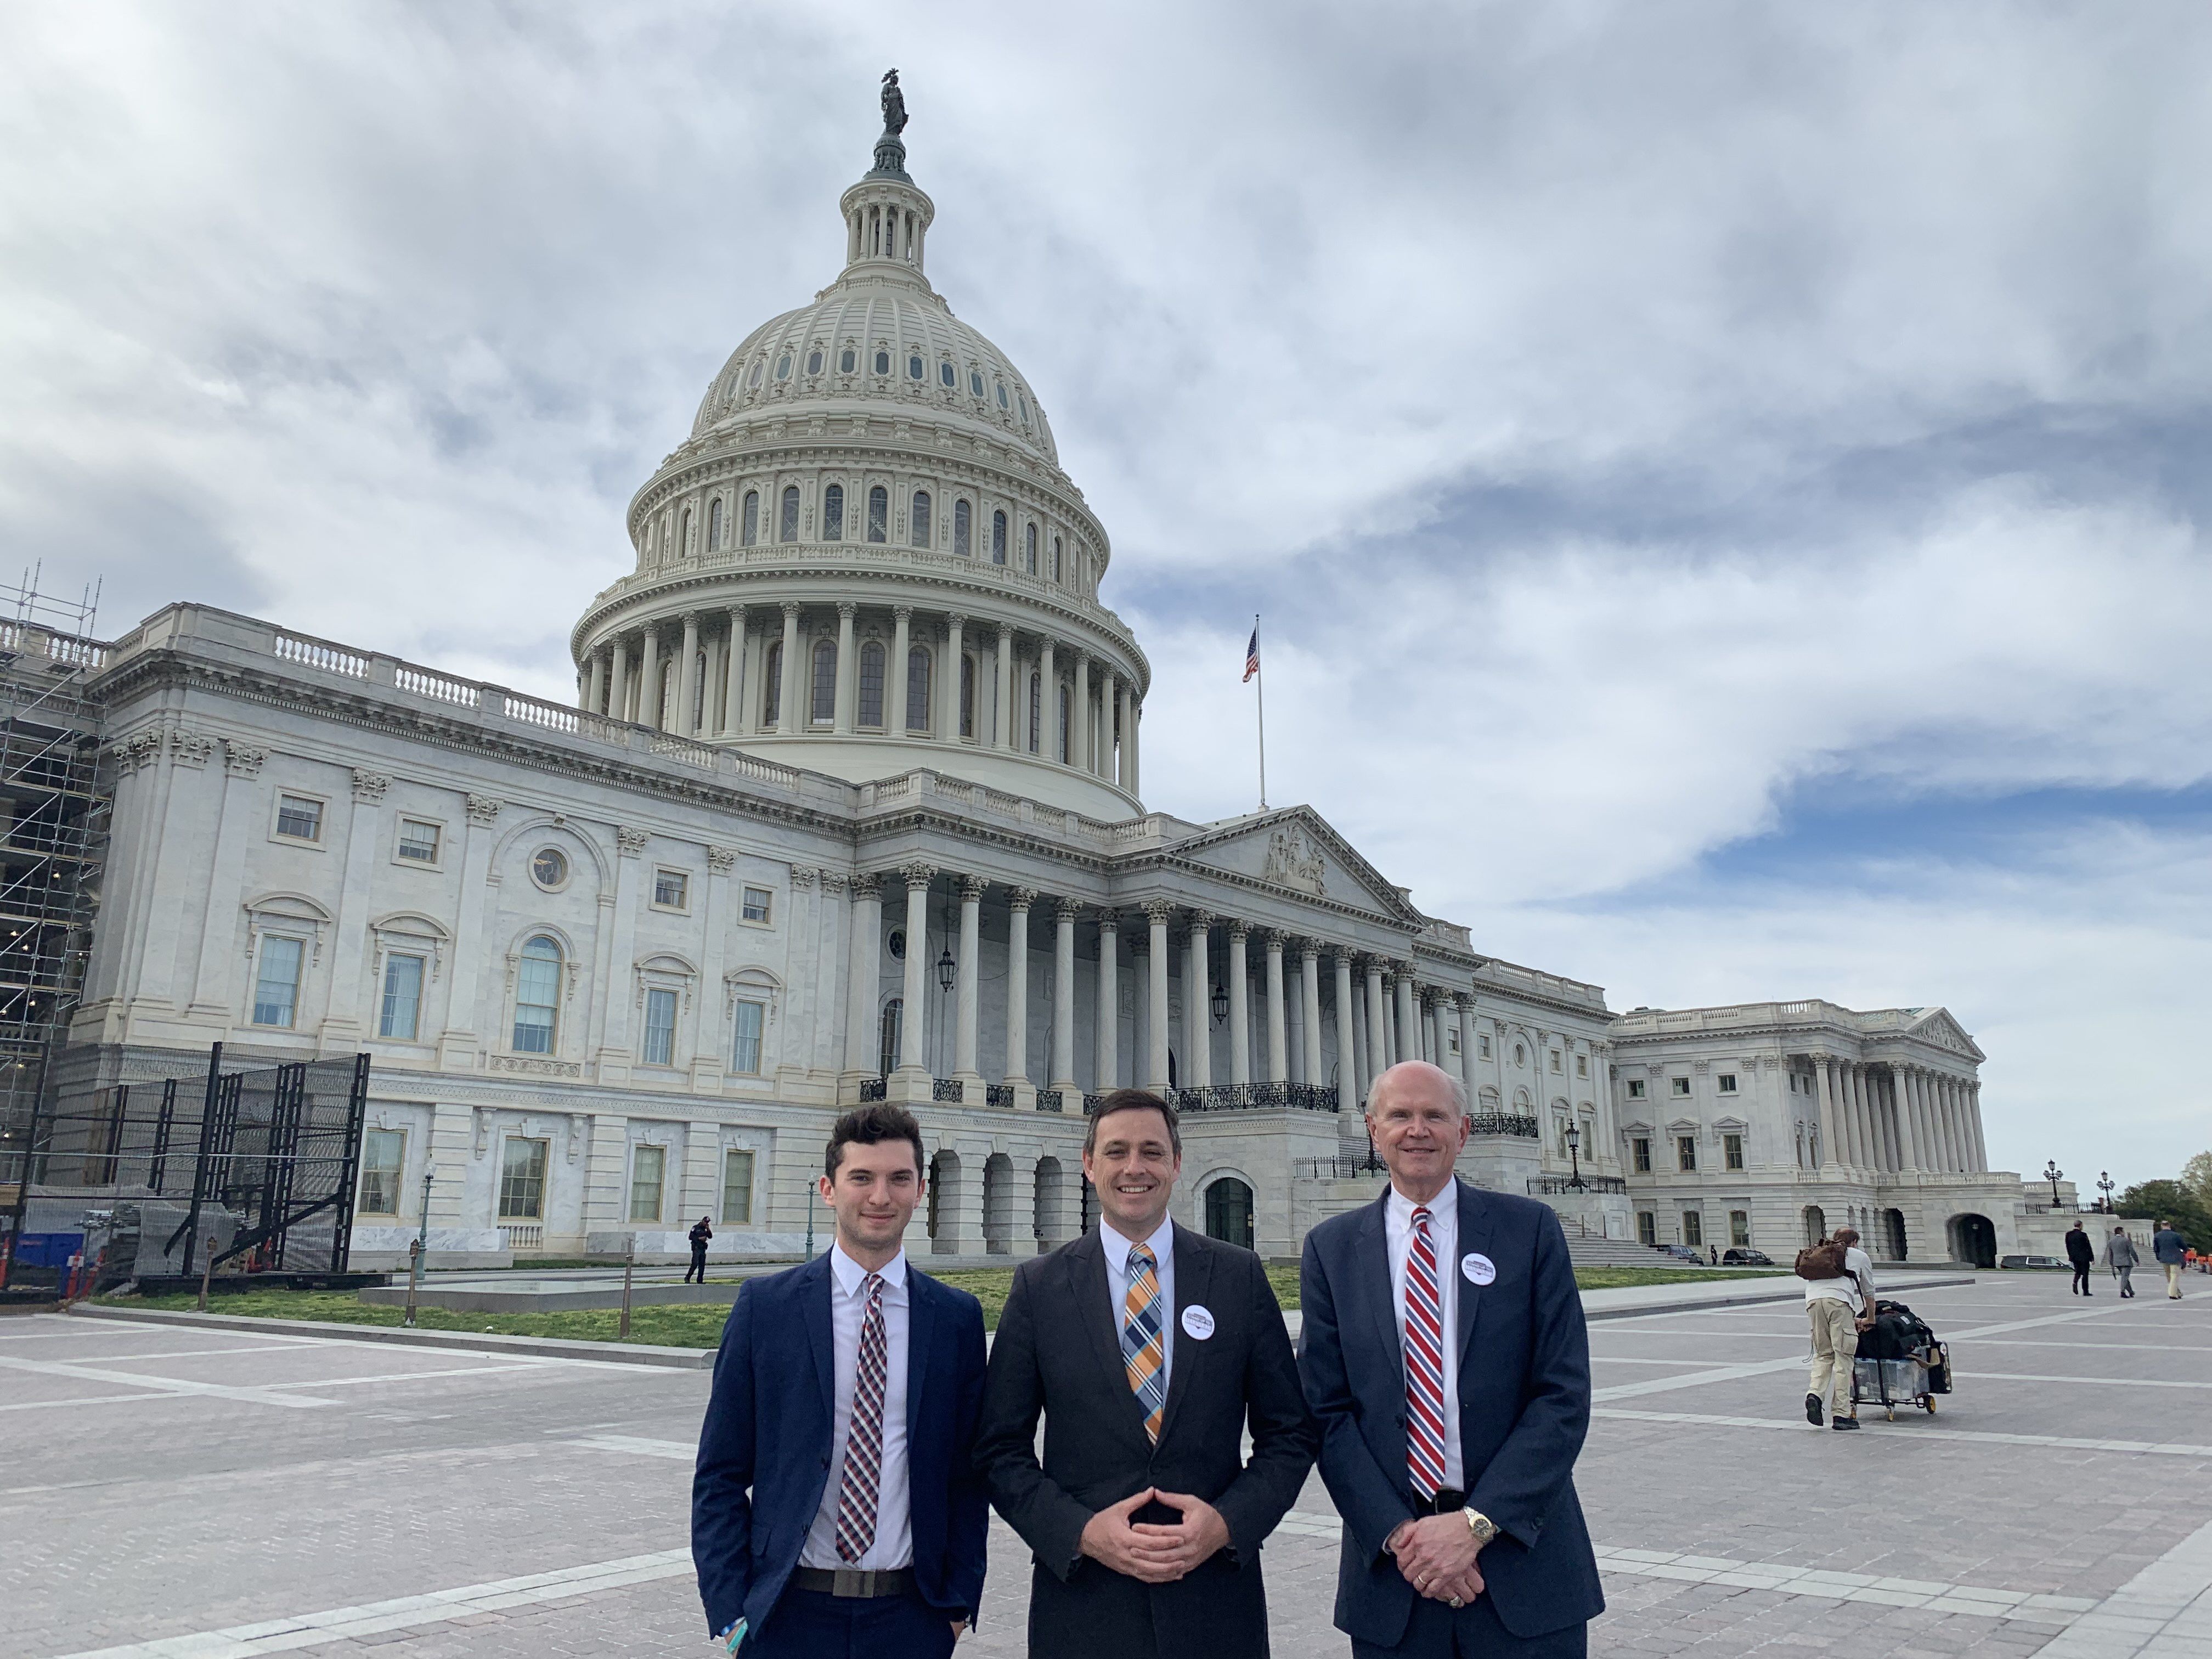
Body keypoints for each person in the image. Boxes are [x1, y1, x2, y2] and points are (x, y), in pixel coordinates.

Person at [975, 1088, 1317, 1659]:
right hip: (1084, 1605)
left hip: (1213, 1604)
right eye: (1116, 1152)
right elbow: (998, 1450)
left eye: (1152, 1152)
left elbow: (1289, 1433)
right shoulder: (1040, 1288)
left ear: (1177, 1164)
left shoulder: (1237, 1277)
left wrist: (1227, 1525)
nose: (1135, 1168)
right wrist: (1079, 1533)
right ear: (1089, 1164)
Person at [1299, 1062, 1604, 1657]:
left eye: (1434, 1116)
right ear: (1372, 1130)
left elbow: (1563, 1394)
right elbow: (1327, 1410)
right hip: (1397, 1575)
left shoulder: (1529, 1230)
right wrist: (1403, 1537)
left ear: (1462, 1132)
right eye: (1401, 1116)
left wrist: (1476, 1525)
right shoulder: (1331, 1249)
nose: (1418, 1131)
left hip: (1522, 1564)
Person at [692, 1105, 988, 1657]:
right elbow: (720, 1472)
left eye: (899, 1179)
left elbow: (967, 1477)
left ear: (920, 1189)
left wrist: (957, 1606)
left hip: (911, 1616)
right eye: (862, 1178)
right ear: (829, 1189)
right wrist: (732, 1610)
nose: (881, 1196)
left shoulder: (955, 1319)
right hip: (788, 1613)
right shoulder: (767, 1309)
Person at [1801, 1226, 1875, 1431]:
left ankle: (1814, 1394)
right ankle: (1841, 1415)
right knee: (1843, 1357)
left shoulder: (1820, 1253)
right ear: (1854, 1243)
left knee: (1824, 1354)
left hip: (1813, 1303)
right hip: (1839, 1303)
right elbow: (1868, 1292)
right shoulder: (1859, 1256)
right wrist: (1870, 1318)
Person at [2153, 1221, 2189, 1299]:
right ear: (2169, 1226)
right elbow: (2183, 1246)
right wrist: (2185, 1251)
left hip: (2164, 1258)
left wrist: (2158, 1257)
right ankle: (2172, 1294)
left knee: (2169, 1277)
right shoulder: (2176, 1235)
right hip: (2175, 1258)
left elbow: (2156, 1249)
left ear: (2162, 1226)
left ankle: (2177, 1293)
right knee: (2174, 1276)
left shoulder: (2157, 1236)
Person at [2102, 1226, 2140, 1299]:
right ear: (2121, 1232)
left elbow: (2111, 1254)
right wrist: (2137, 1260)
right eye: (2123, 1232)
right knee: (2125, 1277)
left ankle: (2131, 1292)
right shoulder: (2126, 1240)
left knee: (2125, 1277)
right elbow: (2132, 1251)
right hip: (2126, 1262)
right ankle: (2122, 1292)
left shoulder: (2111, 1241)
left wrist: (2112, 1263)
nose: (2124, 1233)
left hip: (2117, 1262)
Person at [2064, 1220, 2095, 1296]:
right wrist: (2092, 1258)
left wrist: (2071, 1256)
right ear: (2080, 1225)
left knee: (2078, 1271)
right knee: (2085, 1274)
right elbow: (2088, 1247)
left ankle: (2075, 1282)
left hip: (2075, 1258)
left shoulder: (2069, 1235)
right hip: (2084, 1257)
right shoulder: (2083, 1235)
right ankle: (2085, 1291)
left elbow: (2068, 1246)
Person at [686, 1215, 714, 1285]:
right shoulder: (695, 1228)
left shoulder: (705, 1229)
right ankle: (688, 1277)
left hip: (702, 1249)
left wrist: (708, 1229)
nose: (706, 1224)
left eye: (707, 1223)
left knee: (702, 1265)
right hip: (696, 1248)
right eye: (705, 1222)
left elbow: (710, 1236)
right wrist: (699, 1239)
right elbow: (691, 1237)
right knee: (695, 1264)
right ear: (702, 1221)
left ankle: (700, 1280)